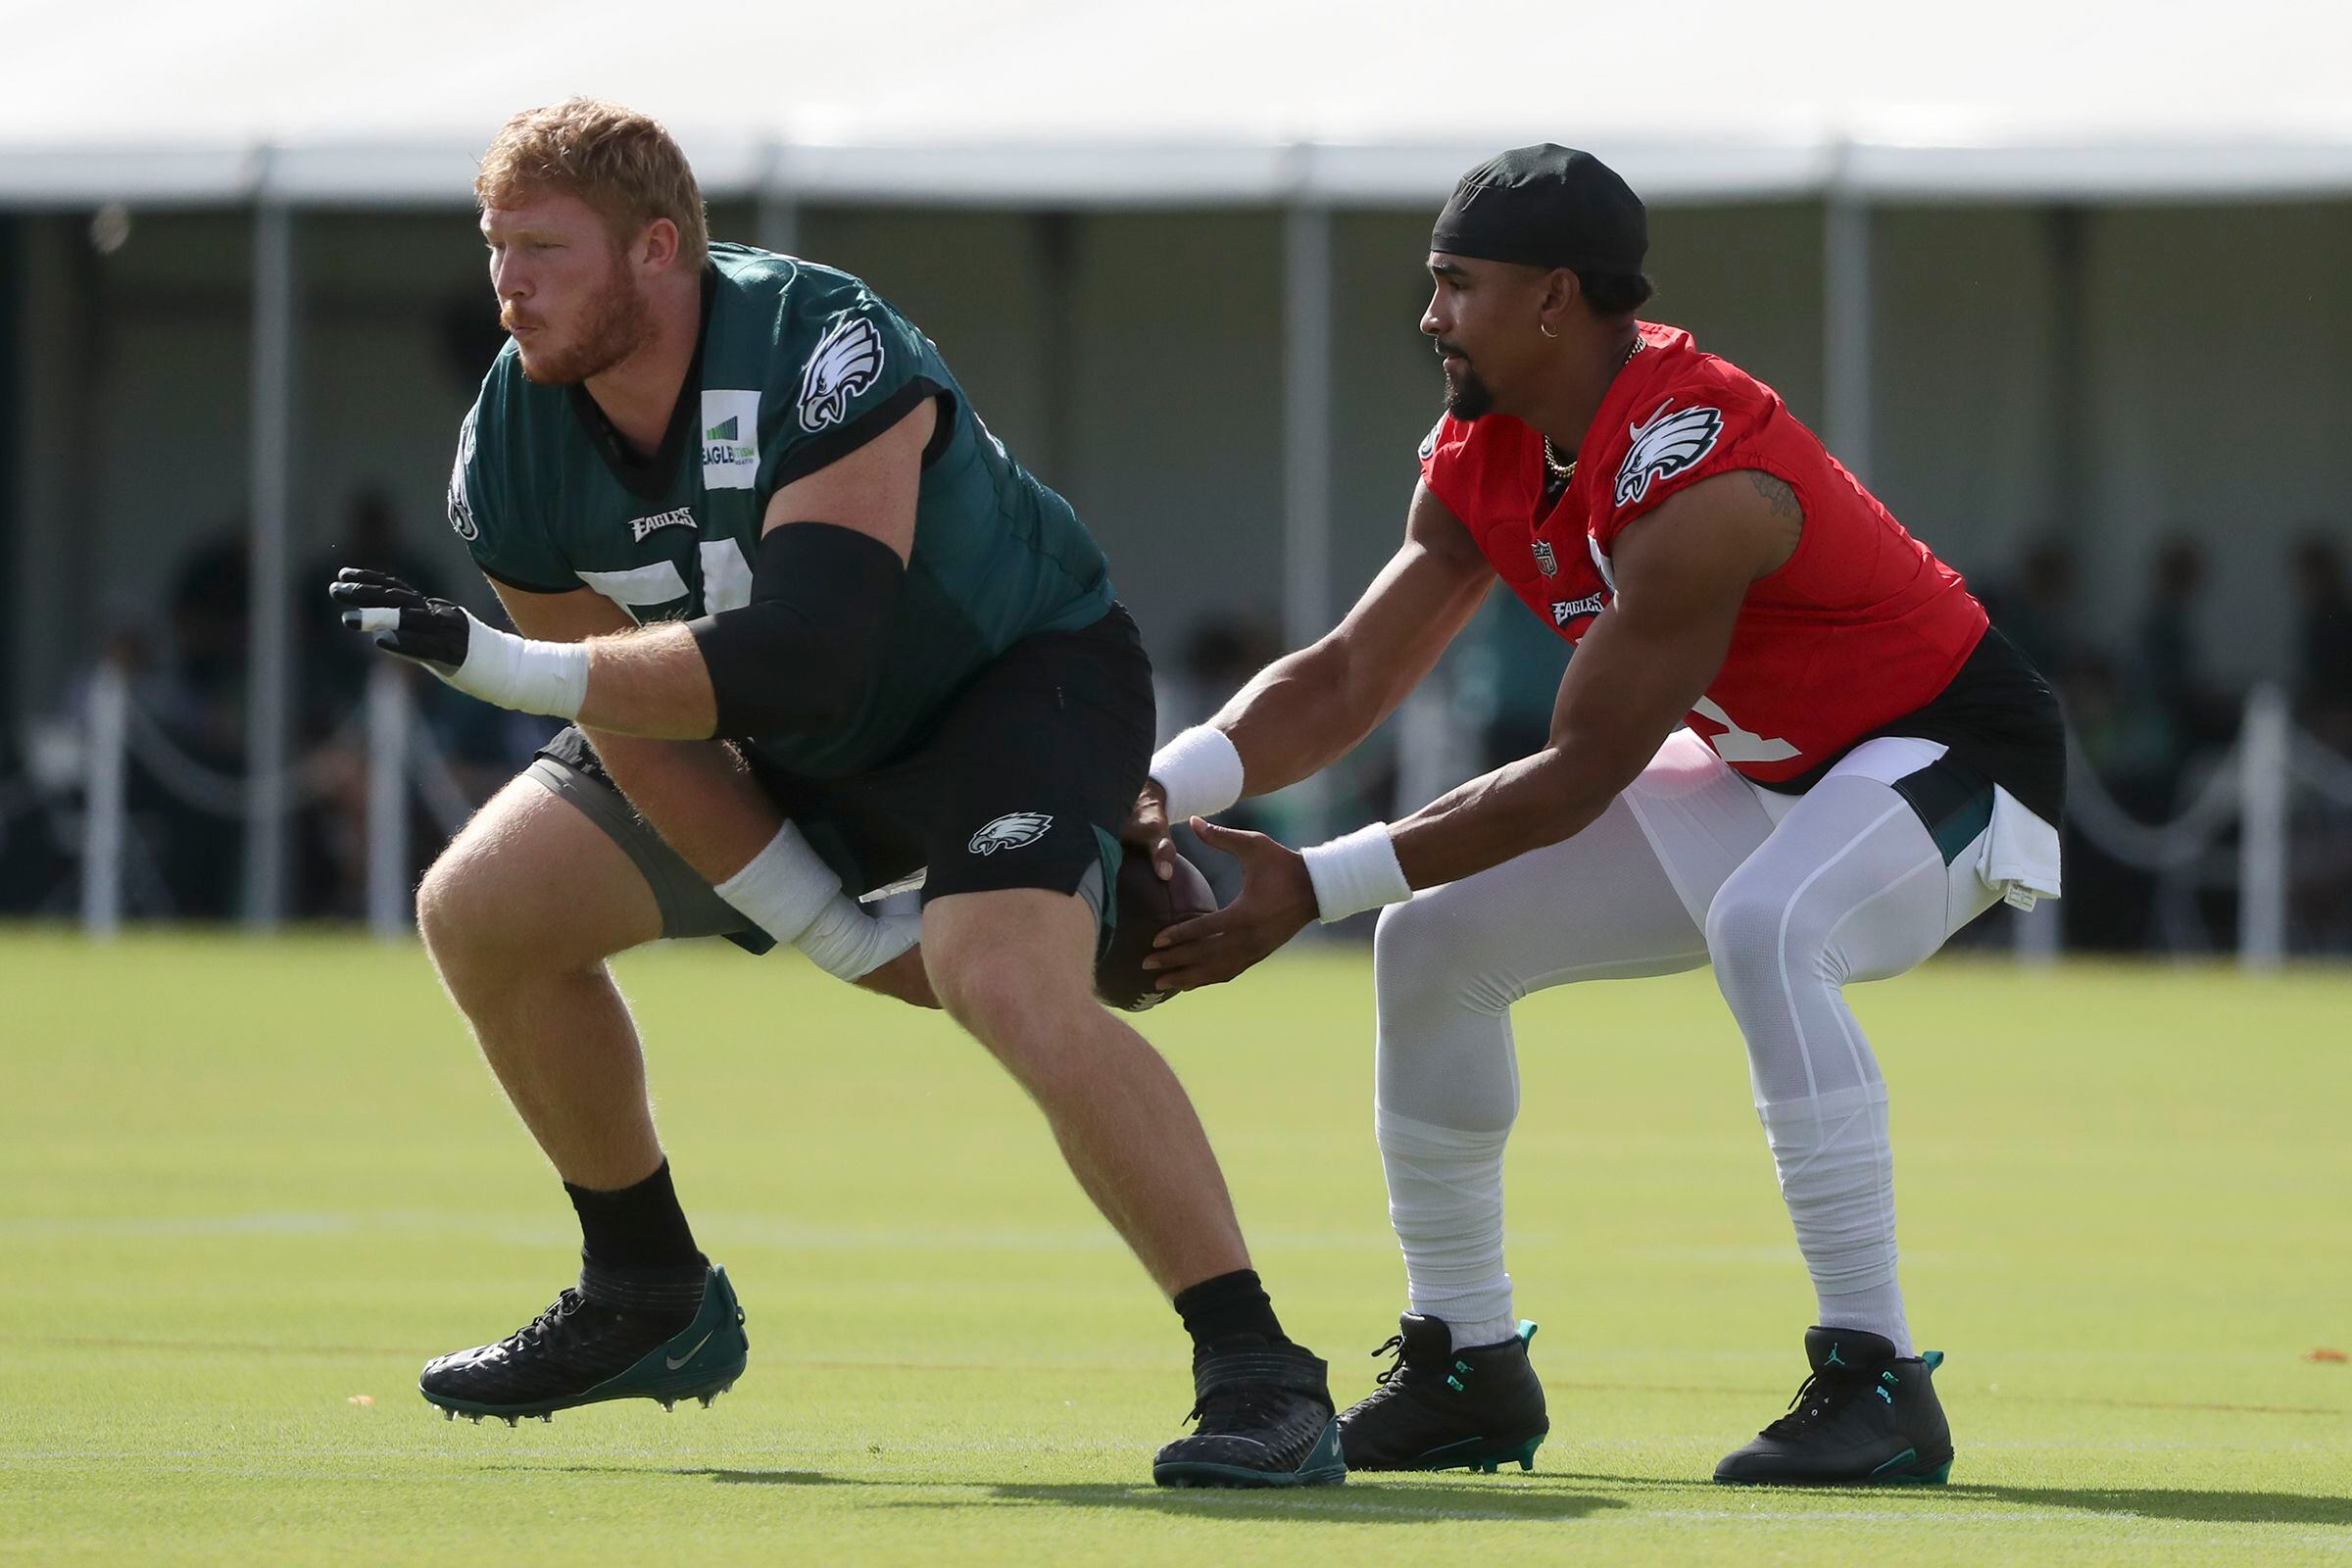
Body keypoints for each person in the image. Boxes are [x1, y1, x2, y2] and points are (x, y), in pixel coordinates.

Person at [332, 99, 1340, 1489]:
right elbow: (616, 718)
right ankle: (645, 1291)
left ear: (657, 250)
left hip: (1001, 684)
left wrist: (502, 665)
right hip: (756, 734)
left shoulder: (822, 341)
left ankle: (1261, 1372)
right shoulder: (511, 443)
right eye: (497, 243)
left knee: (1003, 977)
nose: (508, 278)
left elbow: (811, 650)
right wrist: (834, 930)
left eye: (546, 247)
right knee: (485, 910)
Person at [1127, 146, 2066, 1487]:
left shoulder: (1702, 467)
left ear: (1556, 298)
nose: (1429, 313)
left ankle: (1879, 1374)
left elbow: (1577, 769)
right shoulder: (1492, 437)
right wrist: (1163, 787)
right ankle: (1466, 1365)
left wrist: (1315, 884)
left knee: (1769, 922)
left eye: (1456, 283)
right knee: (1436, 942)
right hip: (1773, 767)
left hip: (1950, 753)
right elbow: (1348, 673)